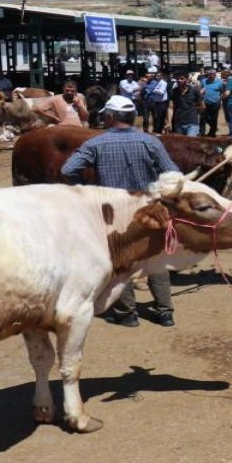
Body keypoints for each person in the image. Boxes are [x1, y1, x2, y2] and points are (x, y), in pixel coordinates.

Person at [60, 95, 180, 327]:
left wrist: (86, 189)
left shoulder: (96, 143)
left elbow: (68, 169)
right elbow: (172, 173)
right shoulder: (151, 141)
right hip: (150, 208)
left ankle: (127, 313)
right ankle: (165, 312)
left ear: (111, 117)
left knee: (122, 262)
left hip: (115, 213)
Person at [200, 69, 226, 137]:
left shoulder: (219, 82)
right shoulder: (203, 81)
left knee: (214, 118)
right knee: (203, 118)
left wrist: (221, 101)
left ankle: (212, 133)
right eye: (209, 75)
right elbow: (200, 89)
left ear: (215, 75)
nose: (210, 76)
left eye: (212, 75)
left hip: (215, 102)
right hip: (204, 102)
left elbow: (222, 92)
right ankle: (201, 133)